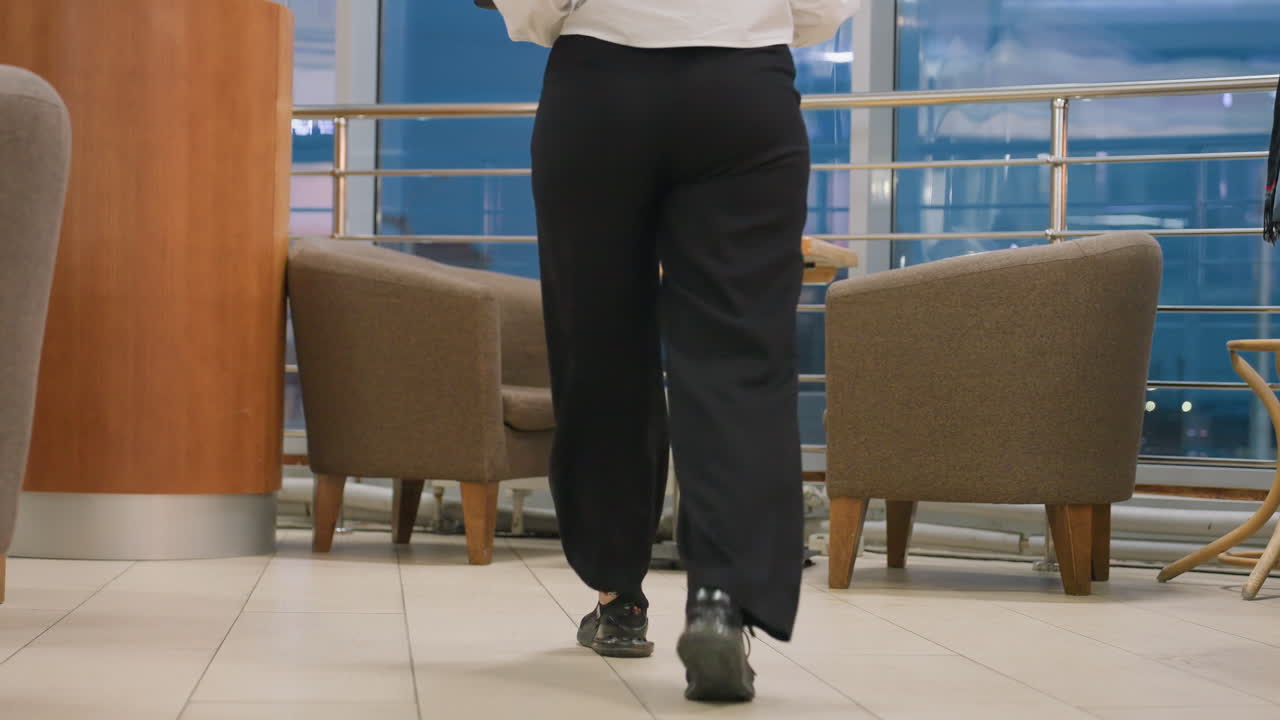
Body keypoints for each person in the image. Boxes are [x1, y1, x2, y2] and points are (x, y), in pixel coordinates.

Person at [488, 0, 860, 702]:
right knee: (739, 357)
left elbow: (533, 7)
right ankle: (721, 600)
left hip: (599, 89)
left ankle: (618, 598)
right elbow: (820, 8)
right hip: (743, 89)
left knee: (599, 345)